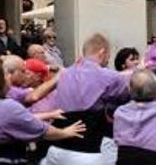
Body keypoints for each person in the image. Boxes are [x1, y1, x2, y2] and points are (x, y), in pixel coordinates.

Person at [0, 60, 85, 164]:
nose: (9, 77)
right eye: (6, 74)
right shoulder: (8, 106)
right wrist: (65, 132)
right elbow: (41, 130)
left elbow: (23, 117)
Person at [44, 33, 130, 165]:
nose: (108, 59)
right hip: (89, 150)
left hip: (56, 148)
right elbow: (125, 102)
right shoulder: (110, 77)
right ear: (102, 52)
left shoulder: (64, 74)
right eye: (108, 55)